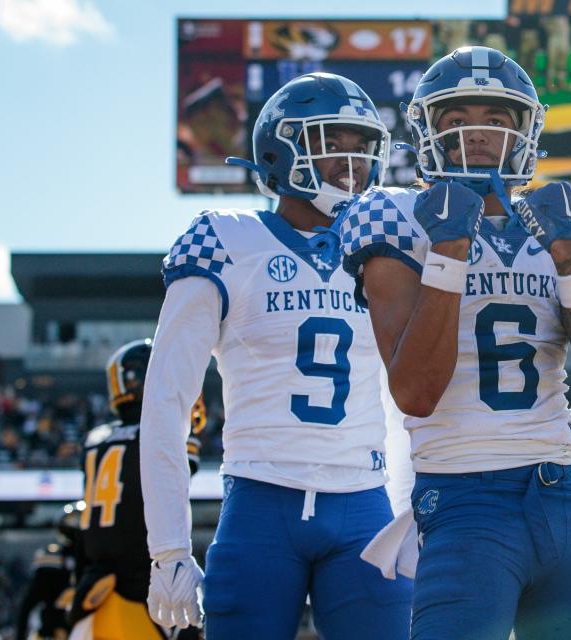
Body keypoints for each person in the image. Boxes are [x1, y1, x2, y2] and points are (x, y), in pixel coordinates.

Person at [339, 46, 571, 640]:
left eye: (497, 121)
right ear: (428, 133)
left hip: (560, 491)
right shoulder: (395, 216)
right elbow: (416, 393)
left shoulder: (565, 221)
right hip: (462, 495)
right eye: (458, 120)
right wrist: (448, 251)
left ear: (524, 132)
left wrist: (570, 256)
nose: (479, 133)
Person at [140, 72, 412, 640]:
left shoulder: (385, 249)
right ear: (279, 148)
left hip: (365, 500)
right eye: (331, 141)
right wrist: (167, 546)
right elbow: (167, 399)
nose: (351, 160)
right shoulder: (224, 238)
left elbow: (404, 400)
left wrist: (411, 508)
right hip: (260, 498)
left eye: (362, 146)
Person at [68, 339, 204, 640]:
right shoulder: (158, 431)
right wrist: (190, 425)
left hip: (93, 585)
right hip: (143, 581)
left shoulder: (94, 438)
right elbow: (181, 473)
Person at [15, 504, 79, 640]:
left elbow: (28, 604)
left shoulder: (98, 557)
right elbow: (30, 602)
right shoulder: (56, 557)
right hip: (57, 630)